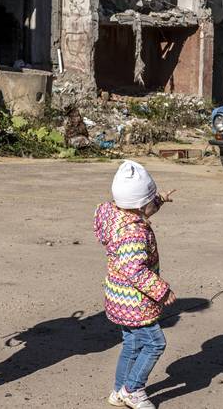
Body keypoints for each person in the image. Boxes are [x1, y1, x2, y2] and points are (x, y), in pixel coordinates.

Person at [95, 160, 177, 409]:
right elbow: (136, 270)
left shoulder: (116, 214)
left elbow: (140, 207)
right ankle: (133, 389)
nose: (154, 204)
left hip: (119, 297)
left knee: (131, 344)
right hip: (136, 301)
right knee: (155, 343)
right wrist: (161, 291)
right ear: (142, 205)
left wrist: (159, 199)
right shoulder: (133, 233)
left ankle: (118, 391)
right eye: (152, 200)